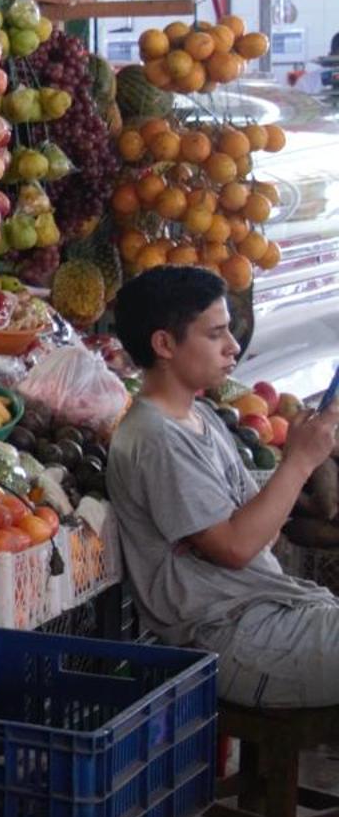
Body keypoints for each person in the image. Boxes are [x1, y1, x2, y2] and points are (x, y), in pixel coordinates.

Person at [106, 265, 339, 706]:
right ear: (164, 344)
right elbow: (234, 548)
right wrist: (300, 462)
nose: (233, 347)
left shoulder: (202, 417)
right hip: (234, 639)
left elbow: (262, 534)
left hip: (273, 614)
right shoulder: (156, 439)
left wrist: (301, 461)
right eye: (215, 335)